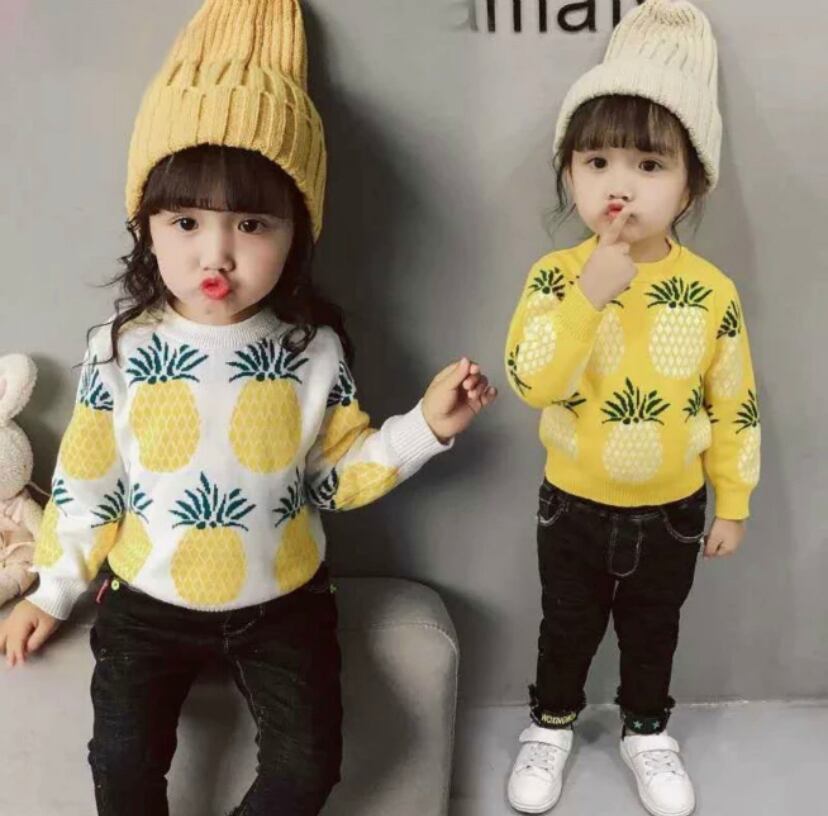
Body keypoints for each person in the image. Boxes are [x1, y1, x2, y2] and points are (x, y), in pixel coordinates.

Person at [0, 2, 497, 814]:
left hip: (283, 605)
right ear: (146, 227)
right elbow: (88, 486)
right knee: (121, 765)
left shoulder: (313, 352)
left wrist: (426, 429)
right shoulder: (120, 350)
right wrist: (52, 591)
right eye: (185, 221)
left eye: (253, 223)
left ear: (297, 233)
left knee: (307, 768)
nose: (217, 254)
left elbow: (336, 475)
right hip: (145, 604)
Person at [503, 2, 760, 814]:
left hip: (674, 512)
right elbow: (531, 380)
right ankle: (549, 725)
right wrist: (587, 295)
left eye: (649, 164)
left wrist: (734, 501)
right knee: (566, 627)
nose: (619, 185)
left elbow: (735, 401)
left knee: (654, 632)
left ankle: (648, 731)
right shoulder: (555, 277)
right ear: (570, 174)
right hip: (572, 505)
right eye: (597, 161)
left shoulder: (711, 291)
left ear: (691, 183)